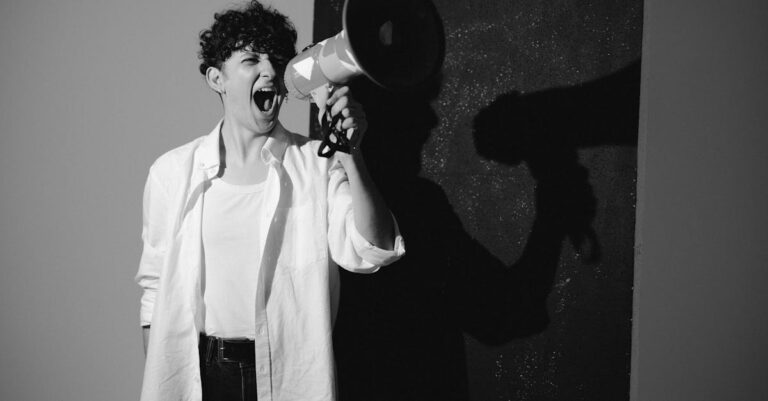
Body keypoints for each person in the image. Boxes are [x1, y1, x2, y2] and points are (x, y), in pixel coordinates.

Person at [134, 2, 405, 400]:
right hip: (199, 372)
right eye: (250, 59)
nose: (269, 70)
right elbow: (154, 293)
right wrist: (165, 382)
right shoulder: (171, 173)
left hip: (287, 372)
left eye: (276, 59)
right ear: (216, 78)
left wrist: (350, 152)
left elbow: (373, 249)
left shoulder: (316, 164)